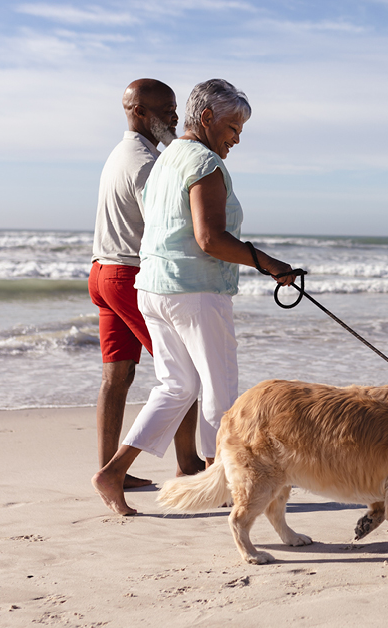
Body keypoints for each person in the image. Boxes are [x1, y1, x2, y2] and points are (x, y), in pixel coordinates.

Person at [92, 78, 296, 515]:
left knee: (177, 387)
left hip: (153, 287)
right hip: (195, 292)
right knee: (219, 391)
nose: (237, 138)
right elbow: (210, 239)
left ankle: (112, 472)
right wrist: (272, 266)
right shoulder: (203, 161)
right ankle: (219, 481)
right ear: (206, 118)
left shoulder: (165, 159)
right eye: (233, 127)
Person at [89, 78, 203, 489]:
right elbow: (164, 228)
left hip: (102, 271)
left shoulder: (120, 154)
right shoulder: (147, 164)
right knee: (184, 372)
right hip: (130, 275)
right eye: (165, 110)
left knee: (117, 377)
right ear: (138, 111)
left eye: (174, 109)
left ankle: (109, 469)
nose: (174, 117)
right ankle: (189, 464)